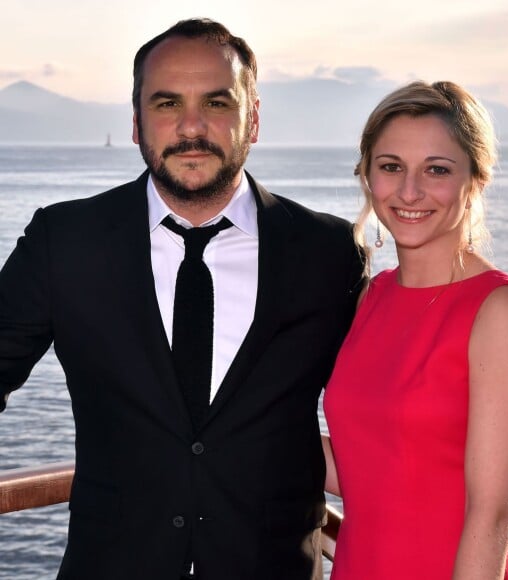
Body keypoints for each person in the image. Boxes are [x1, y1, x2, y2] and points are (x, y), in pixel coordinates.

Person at [0, 19, 365, 580]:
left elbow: (382, 414)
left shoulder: (330, 252)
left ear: (255, 119)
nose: (191, 127)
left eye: (217, 103)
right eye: (167, 103)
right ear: (136, 122)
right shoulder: (64, 241)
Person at [322, 80, 508, 579]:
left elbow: (491, 517)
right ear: (367, 177)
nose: (409, 192)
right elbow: (369, 466)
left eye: (437, 170)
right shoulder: (370, 298)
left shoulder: (500, 312)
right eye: (391, 167)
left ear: (476, 180)